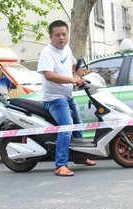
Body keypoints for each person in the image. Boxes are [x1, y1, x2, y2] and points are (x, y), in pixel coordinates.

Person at [37, 19, 95, 177]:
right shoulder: (47, 53)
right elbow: (48, 75)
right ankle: (60, 165)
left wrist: (81, 75)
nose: (61, 37)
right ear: (51, 37)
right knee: (67, 127)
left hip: (68, 96)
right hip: (55, 99)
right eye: (57, 35)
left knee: (79, 126)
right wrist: (72, 79)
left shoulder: (67, 49)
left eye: (64, 34)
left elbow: (72, 66)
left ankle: (81, 156)